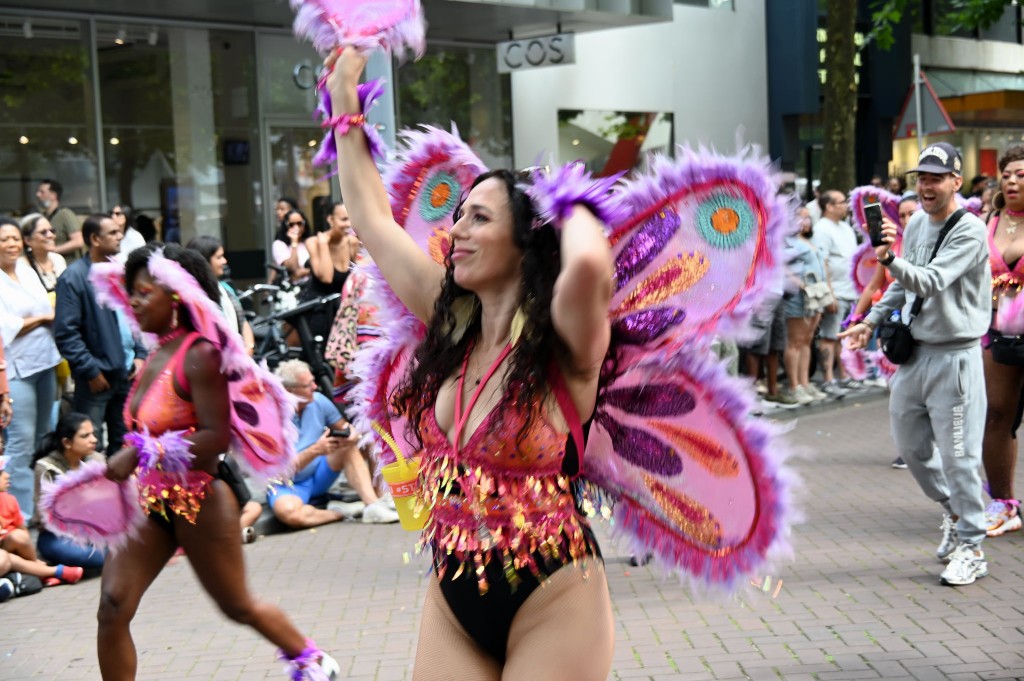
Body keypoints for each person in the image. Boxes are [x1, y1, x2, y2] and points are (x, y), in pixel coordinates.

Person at [325, 46, 615, 678]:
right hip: (454, 589)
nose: (454, 229)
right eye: (457, 216)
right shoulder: (450, 321)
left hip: (554, 593)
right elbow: (374, 220)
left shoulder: (566, 343)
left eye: (478, 218)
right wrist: (345, 106)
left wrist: (571, 205)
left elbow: (590, 266)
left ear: (526, 242)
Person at [98, 243, 339, 680]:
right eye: (130, 291)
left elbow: (216, 437)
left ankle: (314, 660)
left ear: (175, 294)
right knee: (113, 606)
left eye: (143, 291)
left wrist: (142, 450)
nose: (132, 301)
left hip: (201, 502)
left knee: (236, 605)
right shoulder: (154, 355)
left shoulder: (200, 353)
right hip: (153, 502)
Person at [841, 142, 991, 586]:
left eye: (936, 177)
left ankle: (972, 545)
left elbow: (931, 280)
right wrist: (869, 321)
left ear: (956, 183)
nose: (926, 186)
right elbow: (905, 286)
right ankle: (953, 510)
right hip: (916, 358)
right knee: (912, 451)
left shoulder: (970, 230)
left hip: (956, 359)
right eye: (921, 178)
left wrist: (889, 258)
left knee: (960, 458)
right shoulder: (921, 224)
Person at [54, 214, 146, 454]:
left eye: (119, 232)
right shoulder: (74, 277)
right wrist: (90, 370)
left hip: (127, 373)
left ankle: (123, 492)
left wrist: (140, 353)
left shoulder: (120, 272)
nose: (119, 237)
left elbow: (133, 315)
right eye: (113, 233)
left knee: (126, 443)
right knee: (89, 447)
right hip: (97, 378)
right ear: (95, 239)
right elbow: (66, 332)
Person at [268, 360, 398, 527]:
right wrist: (315, 450)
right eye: (308, 385)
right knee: (290, 515)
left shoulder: (318, 400)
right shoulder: (271, 416)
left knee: (353, 442)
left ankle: (373, 503)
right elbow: (281, 472)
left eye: (313, 381)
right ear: (290, 391)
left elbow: (347, 428)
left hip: (318, 474)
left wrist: (352, 435)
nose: (315, 387)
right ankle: (340, 512)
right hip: (288, 483)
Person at [850, 194, 919, 469]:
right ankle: (907, 448)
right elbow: (874, 285)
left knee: (923, 393)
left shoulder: (934, 243)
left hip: (925, 330)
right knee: (899, 392)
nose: (906, 220)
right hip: (894, 329)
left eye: (912, 213)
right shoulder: (890, 246)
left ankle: (927, 446)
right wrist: (856, 317)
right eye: (902, 215)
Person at [0, 217, 61, 520]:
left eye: (14, 238)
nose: (11, 244)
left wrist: (41, 318)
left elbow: (46, 312)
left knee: (43, 439)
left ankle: (42, 510)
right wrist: (42, 318)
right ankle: (19, 516)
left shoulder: (27, 271)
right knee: (21, 444)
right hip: (16, 371)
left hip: (45, 362)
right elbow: (6, 329)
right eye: (4, 240)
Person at [979, 145, 1024, 538]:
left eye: (1021, 174)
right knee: (996, 414)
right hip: (998, 334)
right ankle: (1004, 504)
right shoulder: (988, 221)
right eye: (1007, 174)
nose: (1012, 181)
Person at [30, 413, 106, 571]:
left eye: (93, 434)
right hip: (58, 535)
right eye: (85, 436)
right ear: (67, 442)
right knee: (86, 556)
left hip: (95, 531)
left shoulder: (96, 460)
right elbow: (45, 516)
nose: (94, 440)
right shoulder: (46, 467)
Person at [0, 457, 83, 586]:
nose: (6, 476)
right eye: (0, 474)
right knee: (6, 557)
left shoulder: (9, 499)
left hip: (15, 548)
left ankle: (40, 570)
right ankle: (49, 572)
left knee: (19, 536)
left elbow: (22, 529)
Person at [813, 189, 860, 396]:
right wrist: (829, 294)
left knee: (845, 336)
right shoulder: (822, 229)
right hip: (836, 293)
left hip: (851, 291)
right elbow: (821, 262)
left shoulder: (846, 227)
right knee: (829, 336)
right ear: (829, 206)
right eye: (841, 202)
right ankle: (828, 380)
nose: (846, 205)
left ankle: (845, 376)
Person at [295, 201, 358, 342]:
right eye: (344, 219)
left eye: (350, 219)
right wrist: (324, 244)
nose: (348, 224)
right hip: (318, 311)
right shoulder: (314, 242)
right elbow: (327, 277)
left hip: (343, 312)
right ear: (330, 219)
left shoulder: (352, 243)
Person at [781, 207, 826, 405]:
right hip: (799, 296)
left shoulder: (810, 240)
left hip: (817, 294)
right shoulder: (788, 242)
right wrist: (800, 285)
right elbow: (781, 266)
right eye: (801, 217)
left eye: (808, 217)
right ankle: (794, 386)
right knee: (795, 341)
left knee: (807, 341)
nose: (806, 221)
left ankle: (805, 383)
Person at [185, 235, 256, 356]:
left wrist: (249, 347)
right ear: (204, 261)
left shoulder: (226, 289)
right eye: (219, 257)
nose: (225, 261)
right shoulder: (191, 296)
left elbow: (243, 320)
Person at [36, 179, 83, 261]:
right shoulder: (43, 217)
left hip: (67, 266)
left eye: (42, 192)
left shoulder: (65, 214)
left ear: (53, 195)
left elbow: (78, 241)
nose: (38, 195)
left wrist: (53, 251)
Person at [20, 214, 68, 293]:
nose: (51, 235)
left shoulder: (58, 259)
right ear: (27, 240)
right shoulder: (20, 266)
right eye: (43, 232)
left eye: (52, 231)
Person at [271, 209, 311, 284]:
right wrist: (294, 243)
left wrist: (304, 272)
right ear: (286, 226)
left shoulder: (310, 242)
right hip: (292, 290)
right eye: (291, 225)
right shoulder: (279, 244)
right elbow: (292, 268)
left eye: (299, 223)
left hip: (313, 286)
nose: (296, 228)